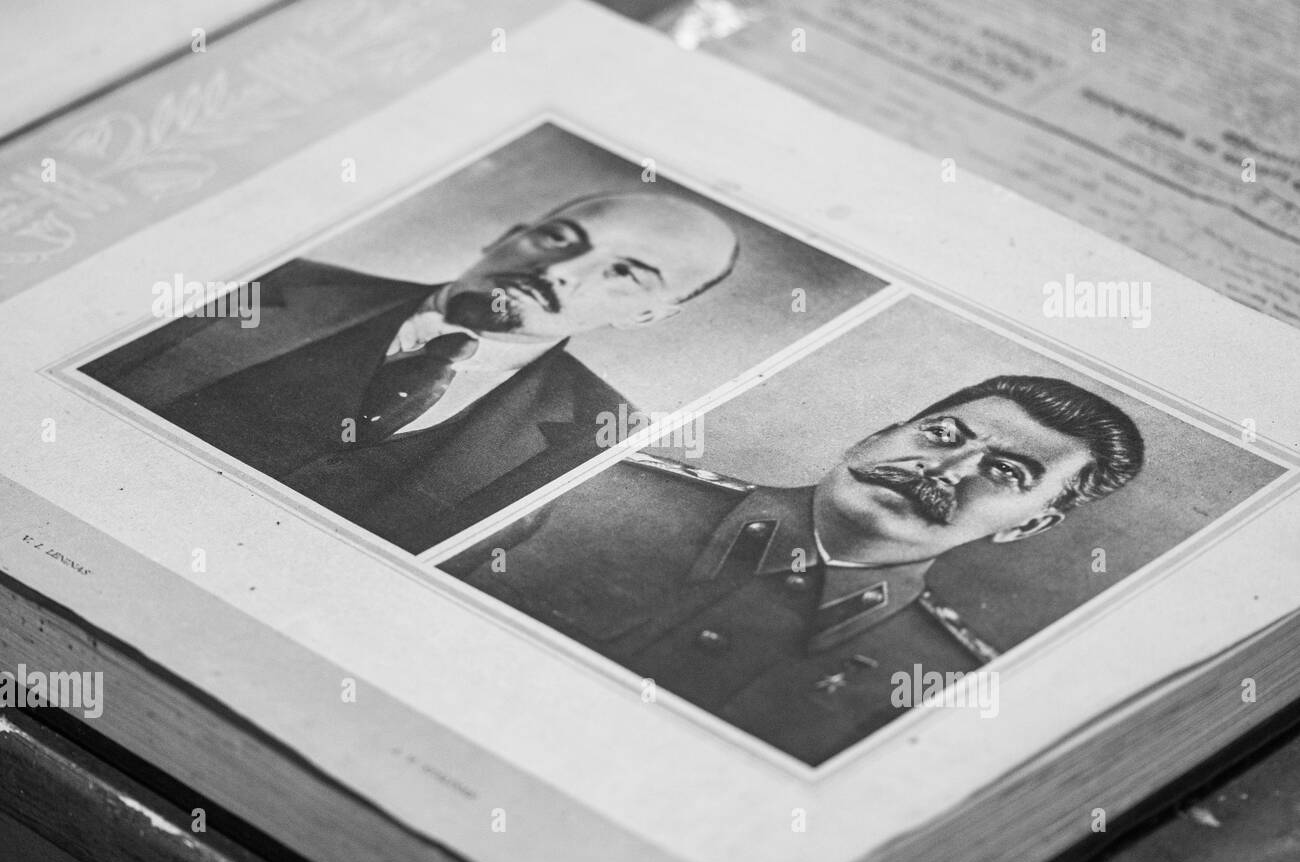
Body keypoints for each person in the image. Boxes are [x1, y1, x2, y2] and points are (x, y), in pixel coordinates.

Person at [443, 375, 1145, 765]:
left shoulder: (945, 684)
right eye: (941, 435)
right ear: (876, 437)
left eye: (1003, 472)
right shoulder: (600, 491)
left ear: (1031, 524)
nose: (942, 469)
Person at [83, 192, 739, 552]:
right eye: (558, 239)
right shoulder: (277, 283)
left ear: (650, 316)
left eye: (625, 273)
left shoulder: (601, 440)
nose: (561, 271)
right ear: (506, 234)